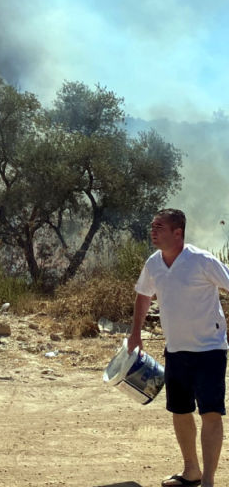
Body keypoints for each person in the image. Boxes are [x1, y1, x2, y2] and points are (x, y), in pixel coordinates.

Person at [129, 208, 229, 487]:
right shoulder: (153, 263)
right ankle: (191, 471)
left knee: (210, 412)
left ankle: (208, 480)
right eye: (152, 226)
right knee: (180, 411)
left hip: (209, 350)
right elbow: (143, 295)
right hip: (175, 350)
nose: (153, 232)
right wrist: (135, 333)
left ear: (177, 233)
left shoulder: (201, 260)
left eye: (159, 227)